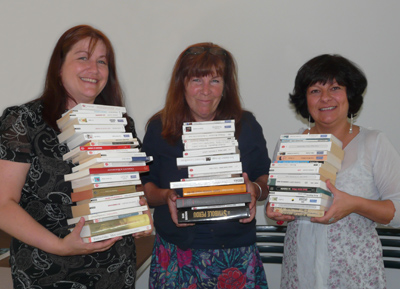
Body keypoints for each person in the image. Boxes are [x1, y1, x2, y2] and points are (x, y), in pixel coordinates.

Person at [0, 24, 152, 289]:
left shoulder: (121, 123)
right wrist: (60, 246)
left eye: (102, 62)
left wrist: (138, 210)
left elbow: (129, 186)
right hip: (46, 270)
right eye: (83, 57)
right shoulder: (23, 121)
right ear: (59, 67)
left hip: (114, 268)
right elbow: (3, 204)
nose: (94, 69)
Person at [141, 43, 271, 288]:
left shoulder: (247, 125)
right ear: (182, 84)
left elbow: (266, 177)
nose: (205, 91)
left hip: (235, 255)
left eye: (215, 81)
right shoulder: (160, 128)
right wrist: (167, 196)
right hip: (176, 255)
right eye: (196, 80)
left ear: (226, 87)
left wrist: (255, 189)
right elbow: (146, 187)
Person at [266, 54, 400, 289]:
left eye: (335, 88)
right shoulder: (289, 145)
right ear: (304, 99)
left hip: (355, 274)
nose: (325, 98)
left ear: (350, 95)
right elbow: (279, 211)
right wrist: (275, 212)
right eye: (315, 90)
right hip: (300, 272)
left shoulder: (374, 142)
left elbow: (398, 211)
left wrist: (355, 204)